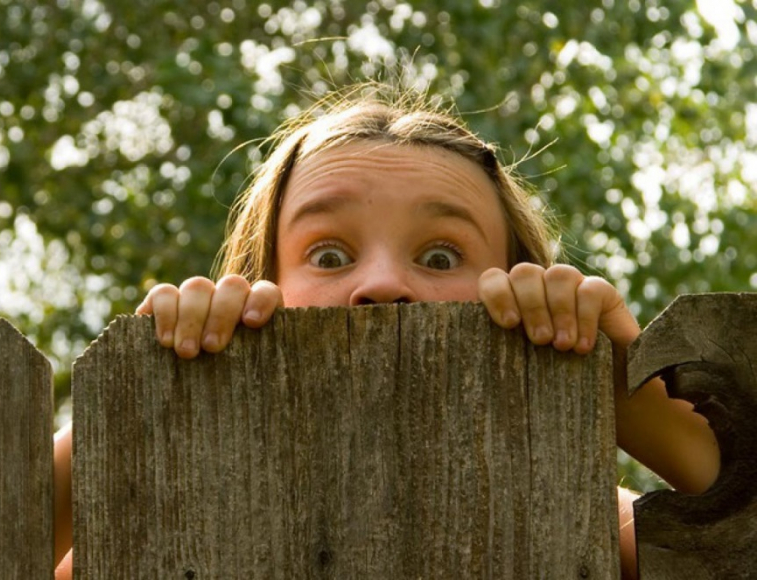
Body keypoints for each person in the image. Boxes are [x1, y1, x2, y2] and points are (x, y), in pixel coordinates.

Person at [53, 83, 721, 579]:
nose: (382, 284)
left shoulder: (600, 531)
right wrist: (135, 413)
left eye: (439, 256)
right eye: (330, 255)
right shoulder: (150, 535)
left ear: (523, 287)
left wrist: (631, 393)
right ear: (263, 287)